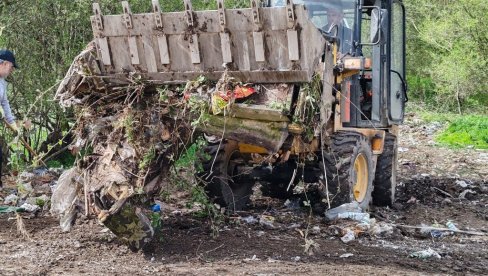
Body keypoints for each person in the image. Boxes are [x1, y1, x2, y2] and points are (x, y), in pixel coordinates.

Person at [0, 49, 19, 188]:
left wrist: (12, 123)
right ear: (4, 63)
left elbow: (4, 102)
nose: (11, 70)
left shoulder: (2, 82)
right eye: (11, 67)